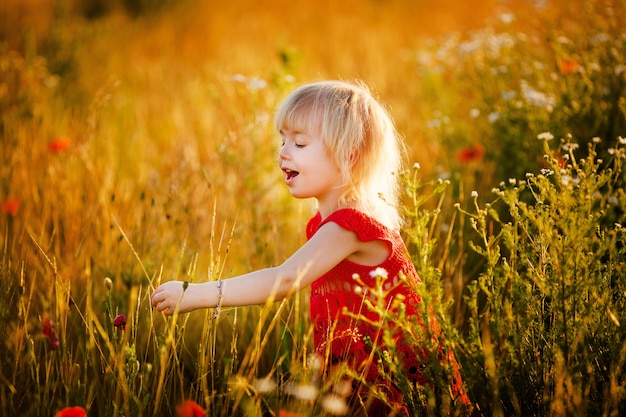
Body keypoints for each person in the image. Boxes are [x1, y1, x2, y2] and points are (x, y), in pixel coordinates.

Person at [151, 80, 471, 415]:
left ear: (349, 156)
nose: (284, 152)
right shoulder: (325, 225)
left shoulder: (351, 225)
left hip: (405, 389)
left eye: (300, 143)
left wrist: (198, 293)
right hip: (365, 383)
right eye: (283, 140)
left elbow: (284, 280)